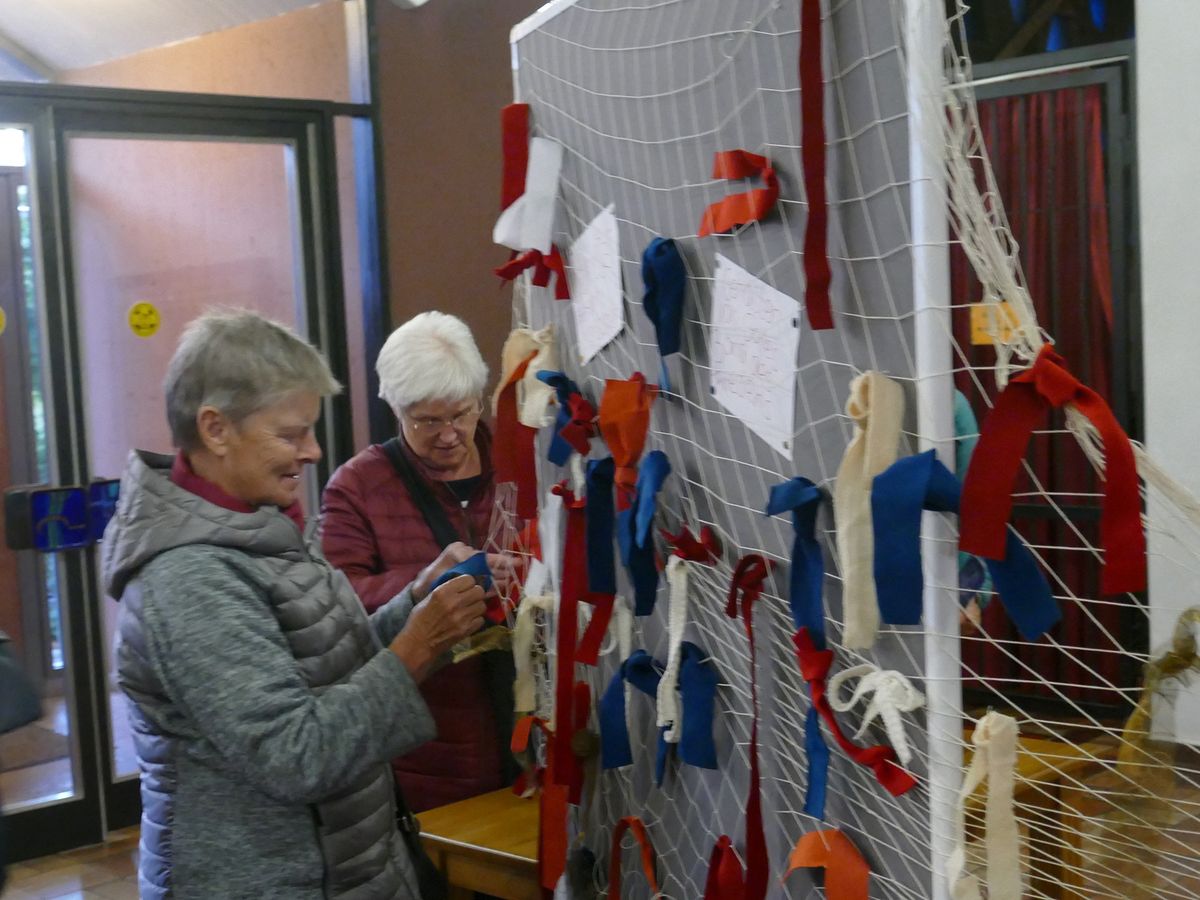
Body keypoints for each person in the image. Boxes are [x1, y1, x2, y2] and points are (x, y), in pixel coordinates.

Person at [102, 310, 486, 899]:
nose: (311, 452)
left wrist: (415, 601)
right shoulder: (188, 578)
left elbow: (329, 664)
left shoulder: (258, 526)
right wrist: (416, 647)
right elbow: (297, 754)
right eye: (290, 434)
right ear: (215, 429)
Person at [321, 311, 517, 813]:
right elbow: (334, 608)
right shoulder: (357, 486)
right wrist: (423, 582)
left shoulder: (523, 464)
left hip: (531, 731)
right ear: (395, 408)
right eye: (428, 420)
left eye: (463, 413)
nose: (450, 435)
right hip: (431, 753)